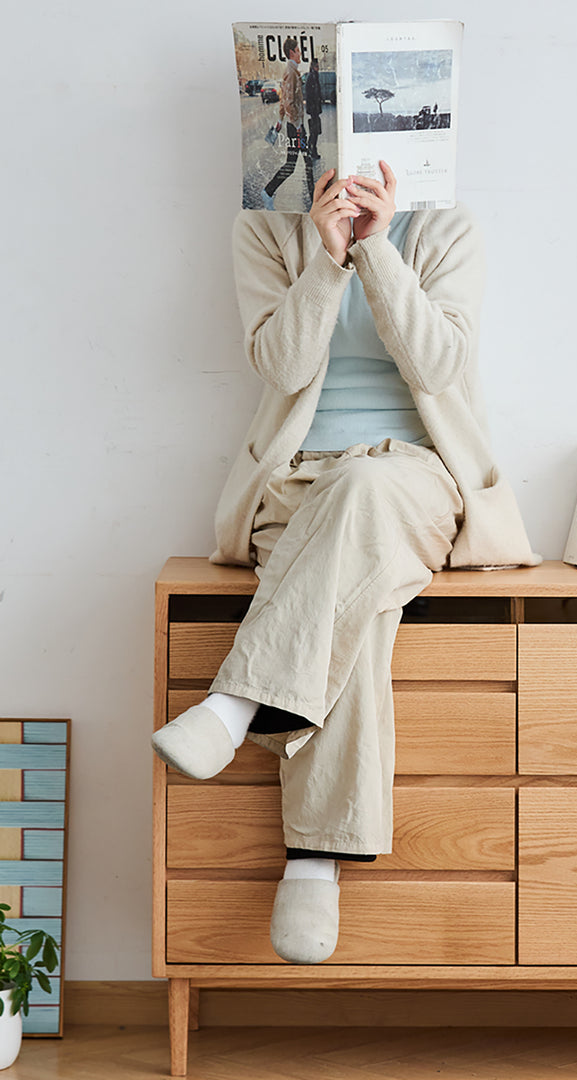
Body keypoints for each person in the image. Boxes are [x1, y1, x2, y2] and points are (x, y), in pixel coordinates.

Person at [152, 162, 538, 964]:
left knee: (364, 490)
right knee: (357, 604)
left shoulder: (446, 227)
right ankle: (315, 860)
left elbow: (439, 369)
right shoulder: (261, 226)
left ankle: (232, 710)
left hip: (415, 477)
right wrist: (328, 259)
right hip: (296, 483)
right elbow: (284, 369)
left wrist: (380, 248)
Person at [262, 36, 314, 210]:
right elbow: (290, 101)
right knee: (296, 163)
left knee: (306, 160)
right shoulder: (291, 72)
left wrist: (280, 119)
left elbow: (284, 100)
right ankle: (268, 191)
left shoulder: (290, 71)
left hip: (294, 125)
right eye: (298, 50)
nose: (300, 54)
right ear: (292, 52)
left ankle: (314, 197)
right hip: (296, 126)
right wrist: (298, 127)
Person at [305, 57, 323, 162]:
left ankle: (310, 149)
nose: (318, 68)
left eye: (318, 66)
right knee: (314, 131)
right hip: (313, 110)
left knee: (315, 131)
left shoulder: (314, 76)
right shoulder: (311, 77)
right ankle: (312, 150)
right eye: (316, 66)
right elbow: (310, 94)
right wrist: (313, 107)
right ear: (312, 67)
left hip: (315, 109)